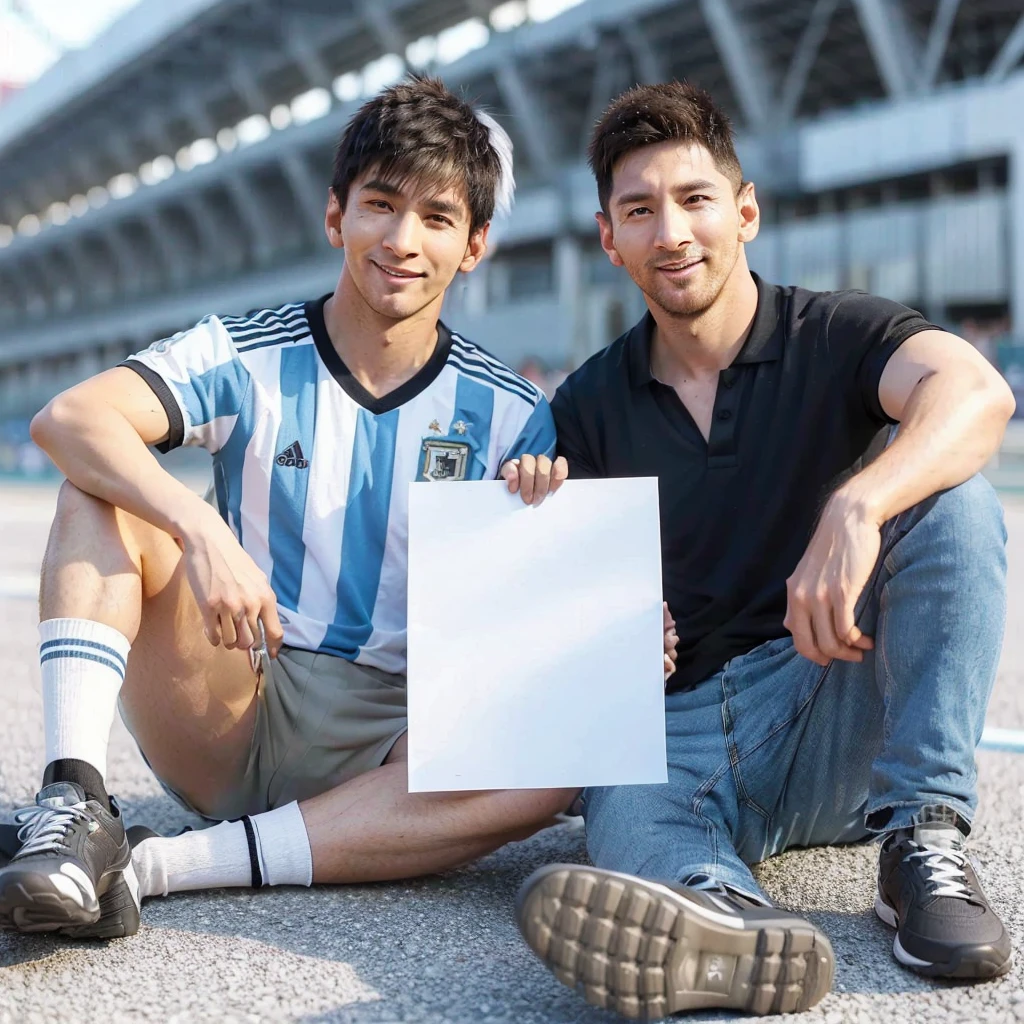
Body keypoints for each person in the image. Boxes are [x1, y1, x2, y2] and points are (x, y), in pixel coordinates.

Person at [0, 76, 576, 940]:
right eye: (380, 204)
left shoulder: (509, 408)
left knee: (549, 770)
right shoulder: (245, 350)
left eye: (437, 218)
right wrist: (198, 528)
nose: (402, 240)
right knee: (102, 486)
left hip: (392, 738)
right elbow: (71, 417)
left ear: (476, 244)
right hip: (238, 695)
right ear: (335, 215)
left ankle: (153, 868)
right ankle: (74, 799)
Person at [515, 81, 1015, 1020]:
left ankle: (924, 842)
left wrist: (859, 505)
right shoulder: (583, 405)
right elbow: (533, 601)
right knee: (620, 799)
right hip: (683, 734)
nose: (671, 231)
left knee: (955, 504)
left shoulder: (837, 333)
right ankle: (723, 922)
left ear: (745, 211)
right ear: (608, 238)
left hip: (833, 691)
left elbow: (978, 392)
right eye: (639, 210)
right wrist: (603, 619)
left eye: (695, 199)